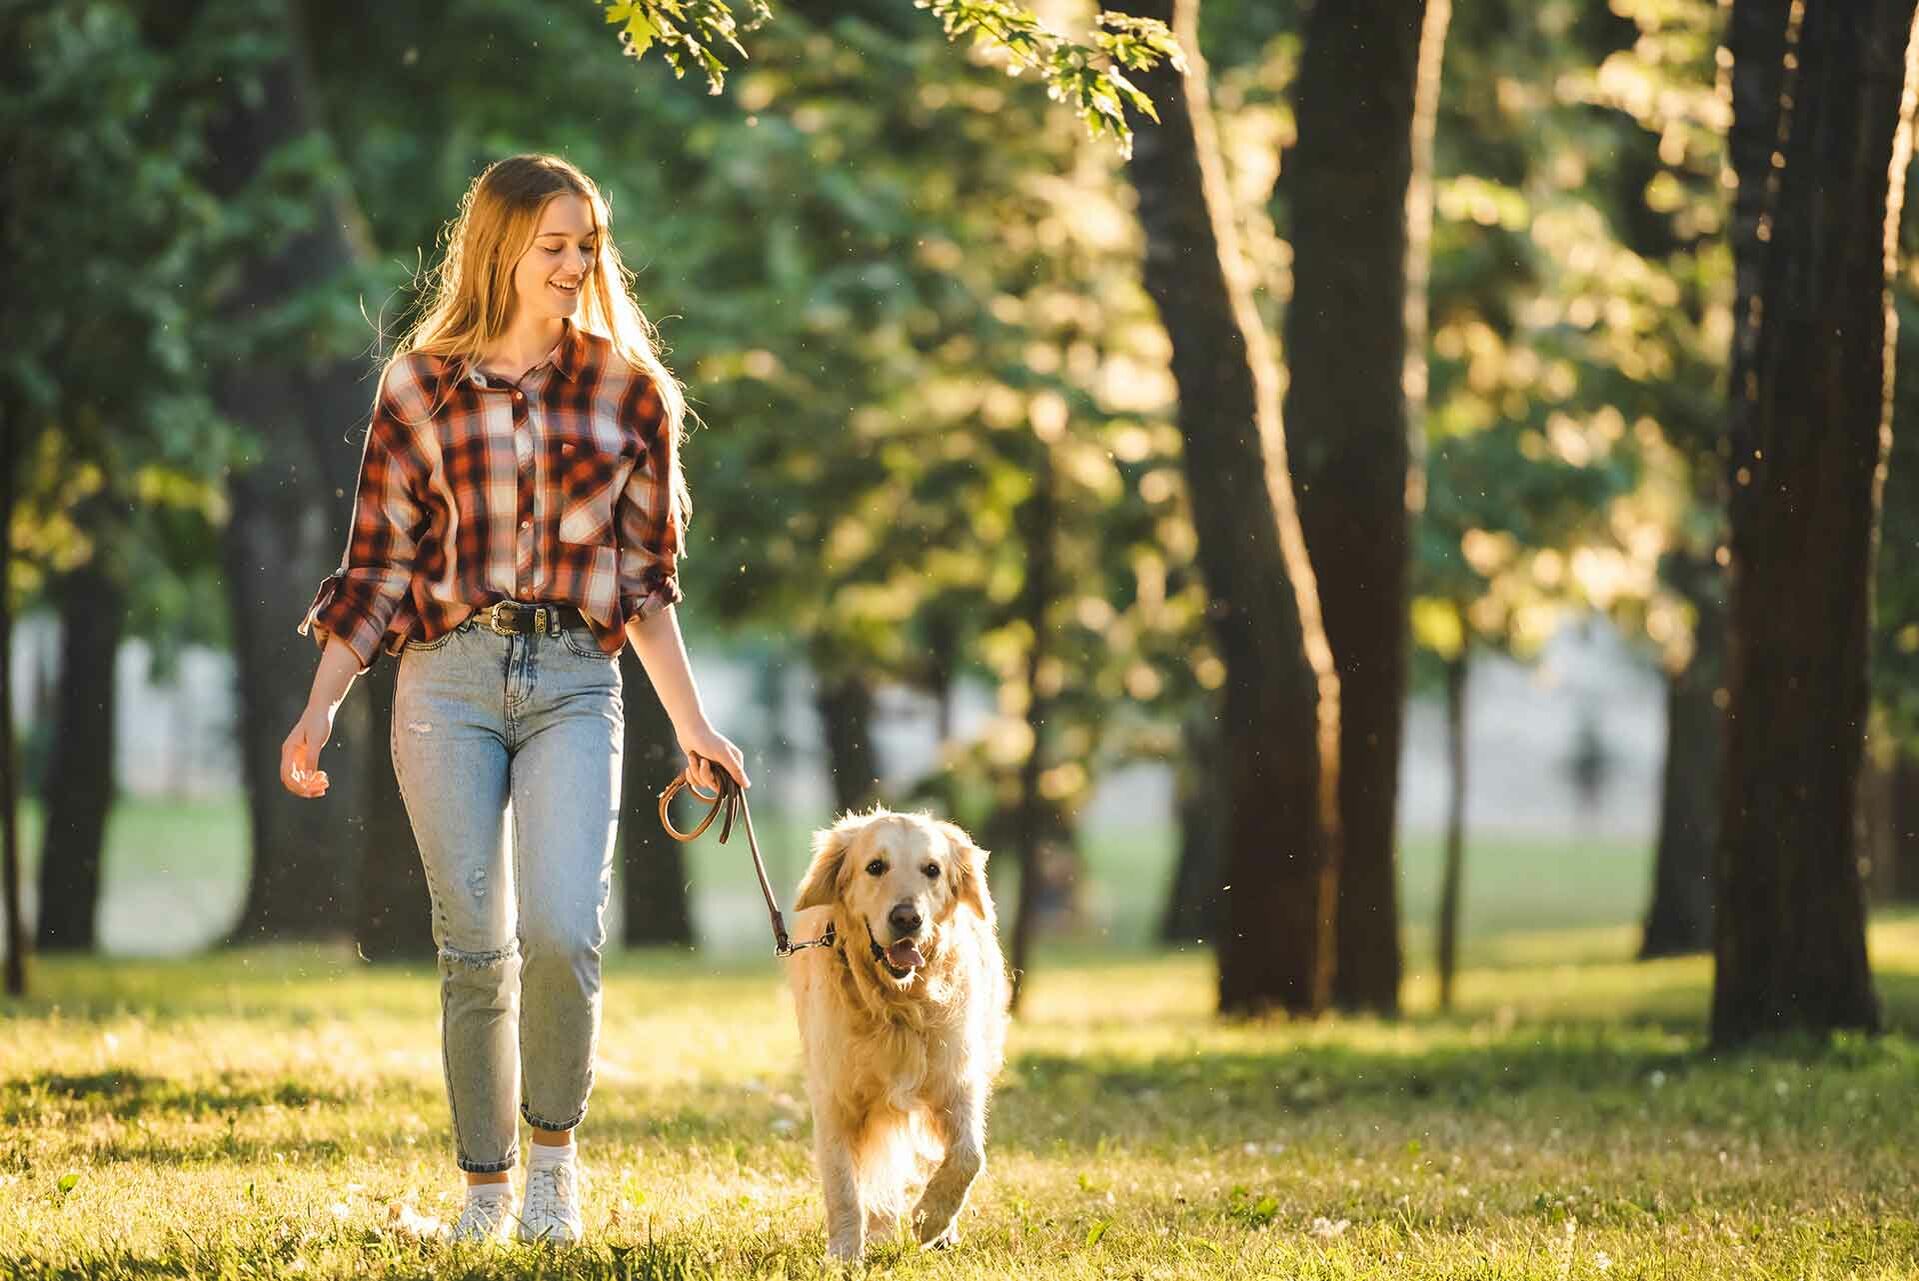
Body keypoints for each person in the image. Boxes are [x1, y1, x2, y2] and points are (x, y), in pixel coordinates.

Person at [277, 153, 749, 1246]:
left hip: (577, 684)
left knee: (562, 931)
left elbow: (642, 587)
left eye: (589, 244)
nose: (577, 265)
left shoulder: (632, 394)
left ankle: (551, 1171)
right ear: (498, 249)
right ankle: (485, 1193)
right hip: (444, 683)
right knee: (473, 948)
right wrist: (319, 706)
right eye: (555, 245)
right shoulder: (419, 384)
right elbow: (378, 569)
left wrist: (694, 725)